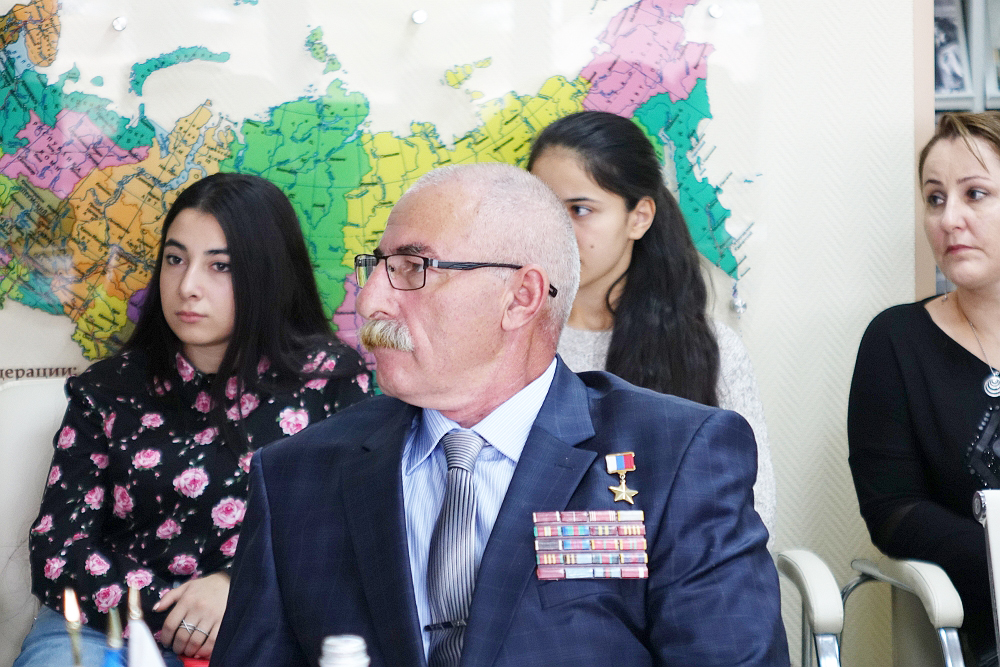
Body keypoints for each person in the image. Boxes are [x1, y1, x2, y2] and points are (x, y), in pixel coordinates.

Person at [213, 163, 787, 666]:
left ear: (521, 297)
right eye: (377, 266)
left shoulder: (675, 459)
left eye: (412, 267)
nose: (369, 301)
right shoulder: (297, 477)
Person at [16, 173, 372, 667]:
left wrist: (234, 587)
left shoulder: (330, 381)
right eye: (175, 259)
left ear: (268, 273)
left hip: (269, 623)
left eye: (220, 266)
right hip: (111, 625)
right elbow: (58, 548)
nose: (188, 287)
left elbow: (350, 534)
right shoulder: (107, 390)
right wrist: (179, 616)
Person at [526, 110, 776, 538]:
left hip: (679, 571)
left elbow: (753, 511)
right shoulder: (505, 339)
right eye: (543, 208)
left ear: (639, 217)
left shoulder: (708, 348)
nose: (556, 230)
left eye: (580, 209)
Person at [848, 111, 1000, 666]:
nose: (949, 219)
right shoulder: (896, 340)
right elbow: (893, 511)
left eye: (975, 194)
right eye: (935, 199)